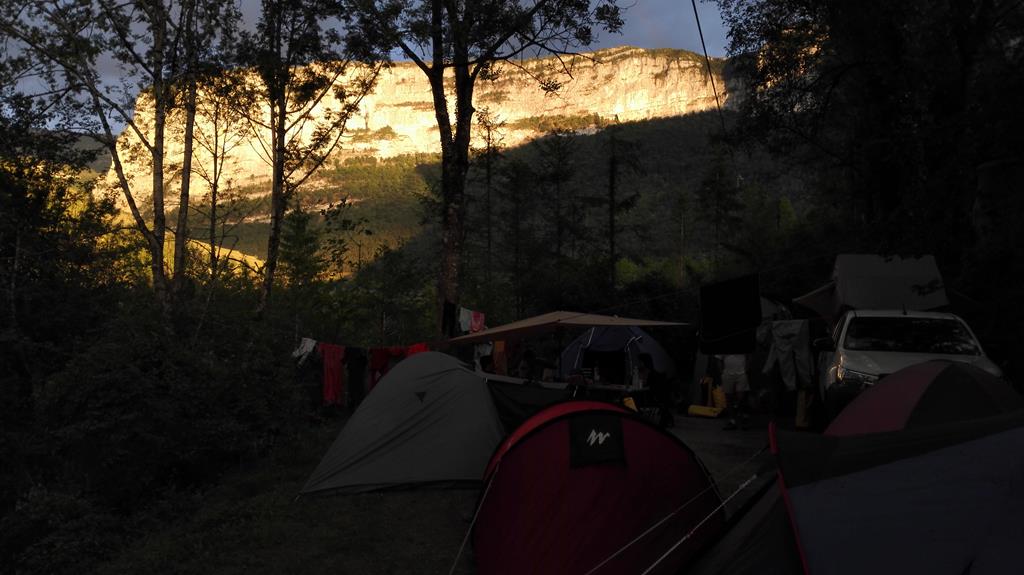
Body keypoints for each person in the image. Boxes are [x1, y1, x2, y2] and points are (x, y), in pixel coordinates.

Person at [638, 353, 674, 428]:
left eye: (640, 362)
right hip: (651, 396)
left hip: (652, 398)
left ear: (644, 362)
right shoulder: (643, 371)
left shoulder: (652, 374)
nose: (639, 363)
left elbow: (648, 386)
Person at [716, 353, 750, 430]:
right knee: (728, 397)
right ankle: (732, 420)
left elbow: (749, 356)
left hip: (741, 373)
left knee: (741, 396)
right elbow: (718, 359)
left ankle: (741, 417)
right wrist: (722, 372)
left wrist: (746, 369)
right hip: (727, 374)